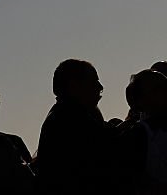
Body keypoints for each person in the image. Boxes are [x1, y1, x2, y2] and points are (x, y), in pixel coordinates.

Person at [36, 59, 113, 194]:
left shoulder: (65, 116)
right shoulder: (69, 119)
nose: (100, 87)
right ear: (74, 85)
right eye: (93, 81)